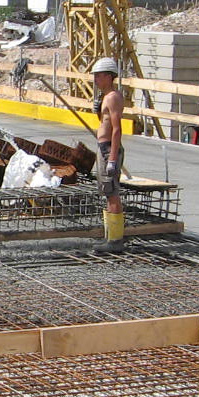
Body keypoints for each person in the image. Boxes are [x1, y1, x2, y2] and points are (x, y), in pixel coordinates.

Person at [92, 55, 126, 252]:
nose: (95, 79)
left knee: (111, 192)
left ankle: (115, 241)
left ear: (108, 76)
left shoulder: (113, 97)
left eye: (98, 76)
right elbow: (104, 122)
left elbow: (116, 129)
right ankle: (110, 236)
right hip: (103, 148)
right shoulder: (105, 97)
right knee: (107, 192)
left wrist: (112, 158)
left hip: (108, 149)